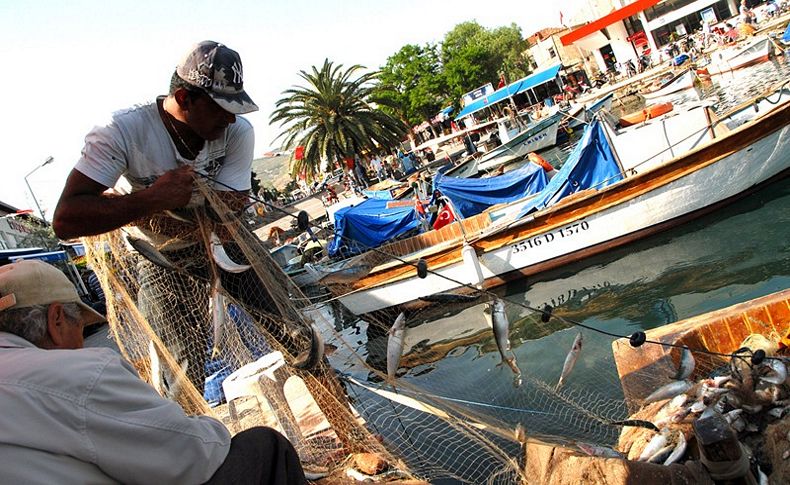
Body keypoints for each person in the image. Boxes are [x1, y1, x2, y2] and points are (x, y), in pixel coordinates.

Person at [52, 41, 290, 395]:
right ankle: (190, 442)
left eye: (235, 107)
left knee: (290, 326)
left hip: (226, 243)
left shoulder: (238, 131)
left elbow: (232, 206)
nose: (230, 118)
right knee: (180, 374)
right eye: (220, 108)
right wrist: (151, 199)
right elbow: (66, 219)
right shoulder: (120, 132)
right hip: (161, 258)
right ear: (183, 98)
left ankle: (341, 410)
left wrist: (172, 211)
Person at [0, 259, 306, 484]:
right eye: (78, 326)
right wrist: (209, 428)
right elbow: (195, 456)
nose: (80, 341)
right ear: (56, 319)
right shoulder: (79, 373)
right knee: (264, 447)